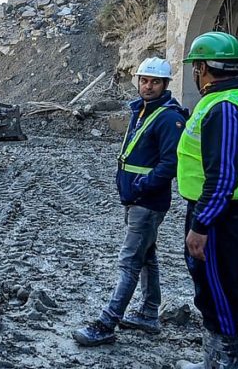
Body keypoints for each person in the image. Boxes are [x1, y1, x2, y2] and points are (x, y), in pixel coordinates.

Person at [74, 57, 186, 346]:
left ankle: (107, 322)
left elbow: (170, 164)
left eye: (155, 82)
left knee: (129, 261)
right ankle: (148, 313)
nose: (148, 86)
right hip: (137, 199)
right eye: (144, 80)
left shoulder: (167, 117)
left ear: (165, 85)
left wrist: (140, 187)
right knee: (146, 255)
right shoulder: (143, 111)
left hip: (147, 202)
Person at [175, 32, 238, 369]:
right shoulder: (237, 98)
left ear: (202, 67)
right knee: (214, 287)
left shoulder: (224, 108)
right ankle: (216, 358)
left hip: (222, 214)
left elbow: (222, 176)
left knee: (219, 292)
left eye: (195, 68)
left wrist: (201, 224)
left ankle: (223, 361)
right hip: (228, 209)